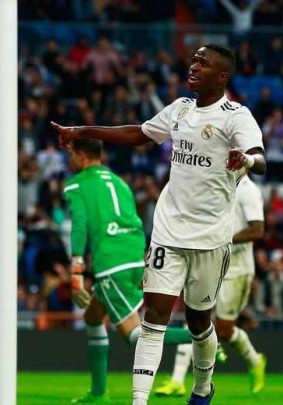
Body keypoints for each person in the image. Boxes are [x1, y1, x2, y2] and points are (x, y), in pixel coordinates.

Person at [52, 43, 266, 405]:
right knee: (154, 317)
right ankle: (139, 401)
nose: (193, 66)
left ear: (222, 76)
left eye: (203, 63)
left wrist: (244, 159)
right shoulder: (180, 109)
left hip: (211, 238)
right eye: (194, 60)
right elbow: (138, 134)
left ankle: (202, 389)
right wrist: (82, 130)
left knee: (199, 322)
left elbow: (260, 159)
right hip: (169, 232)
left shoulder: (236, 116)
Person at [63, 138, 194, 403]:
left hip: (112, 263)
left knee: (134, 334)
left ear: (81, 155)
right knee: (93, 316)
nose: (69, 159)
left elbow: (79, 223)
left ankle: (201, 336)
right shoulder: (120, 182)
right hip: (135, 257)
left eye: (71, 154)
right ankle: (98, 392)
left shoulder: (76, 184)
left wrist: (76, 269)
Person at [155, 174, 267, 397]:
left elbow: (257, 230)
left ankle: (255, 361)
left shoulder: (248, 190)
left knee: (224, 330)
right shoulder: (215, 181)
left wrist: (222, 238)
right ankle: (177, 380)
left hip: (236, 270)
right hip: (209, 261)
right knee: (194, 320)